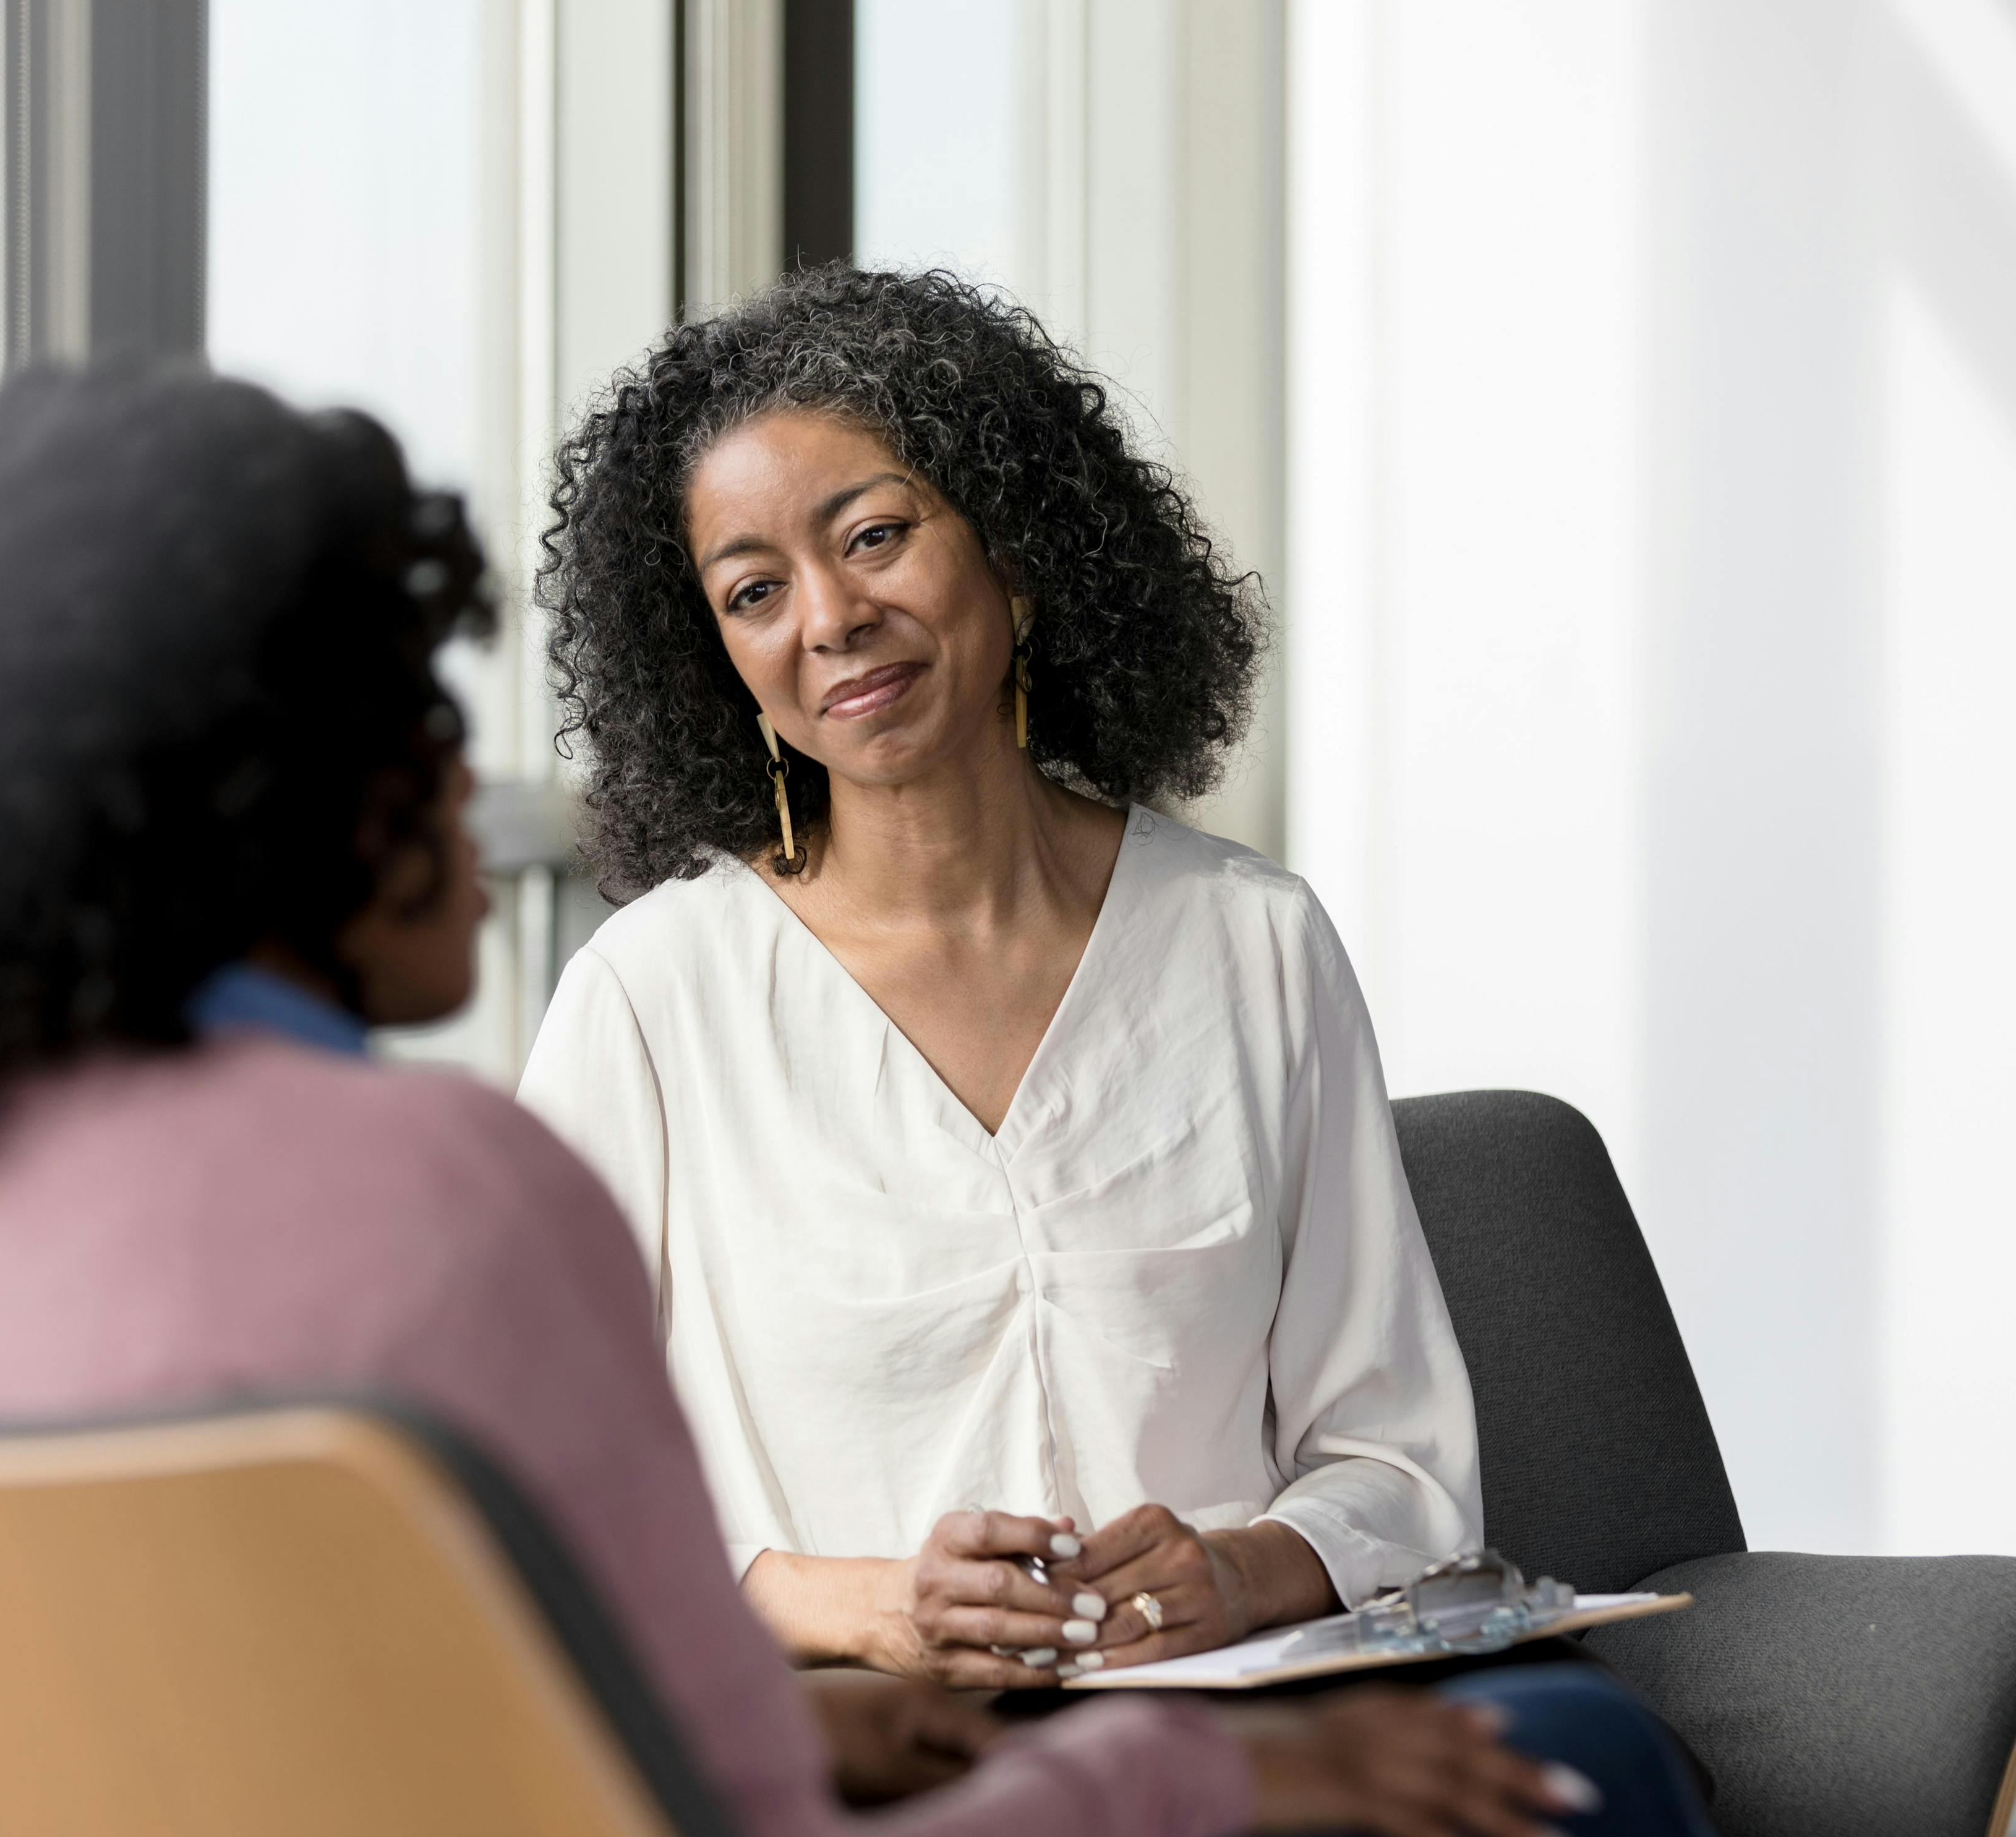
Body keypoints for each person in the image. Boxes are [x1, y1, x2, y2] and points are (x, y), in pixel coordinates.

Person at [0, 362, 1741, 1837]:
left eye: (873, 538)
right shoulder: (447, 1191)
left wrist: (858, 1707)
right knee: (1578, 1768)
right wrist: (1214, 1783)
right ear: (245, 785)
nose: (480, 793)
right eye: (412, 717)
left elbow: (486, 1687)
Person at [521, 267, 1472, 1690]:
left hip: (1240, 1724)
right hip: (868, 1760)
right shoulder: (652, 1004)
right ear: (716, 658)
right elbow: (533, 1496)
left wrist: (1240, 1570)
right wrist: (861, 1607)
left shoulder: (1254, 946)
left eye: (879, 535)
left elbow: (1397, 1460)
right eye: (755, 591)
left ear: (1017, 557)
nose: (832, 617)